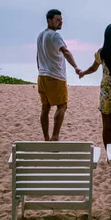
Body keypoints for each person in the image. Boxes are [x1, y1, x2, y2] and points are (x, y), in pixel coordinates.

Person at [37, 9, 81, 141]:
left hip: (42, 76)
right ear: (49, 21)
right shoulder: (54, 36)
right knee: (62, 106)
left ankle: (46, 138)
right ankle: (55, 137)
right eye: (57, 19)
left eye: (61, 19)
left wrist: (40, 70)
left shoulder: (40, 35)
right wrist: (76, 67)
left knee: (45, 107)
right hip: (56, 76)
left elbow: (38, 56)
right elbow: (65, 51)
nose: (61, 22)